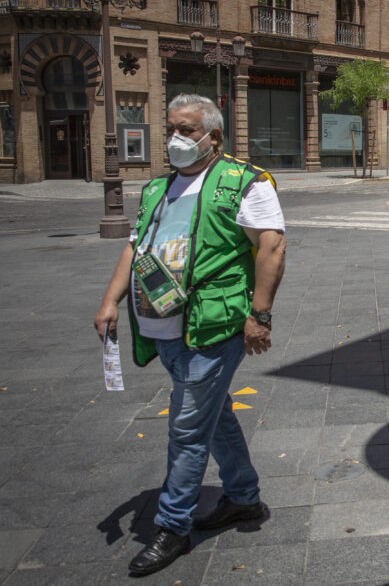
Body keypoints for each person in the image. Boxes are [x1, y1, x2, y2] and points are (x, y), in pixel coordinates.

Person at [92, 94, 286, 577]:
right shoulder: (157, 188)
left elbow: (272, 246)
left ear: (212, 136)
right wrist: (110, 300)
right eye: (171, 129)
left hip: (213, 327)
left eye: (184, 129)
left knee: (186, 430)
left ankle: (173, 524)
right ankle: (243, 498)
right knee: (215, 416)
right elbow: (135, 247)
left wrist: (259, 314)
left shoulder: (245, 182)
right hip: (162, 328)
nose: (174, 138)